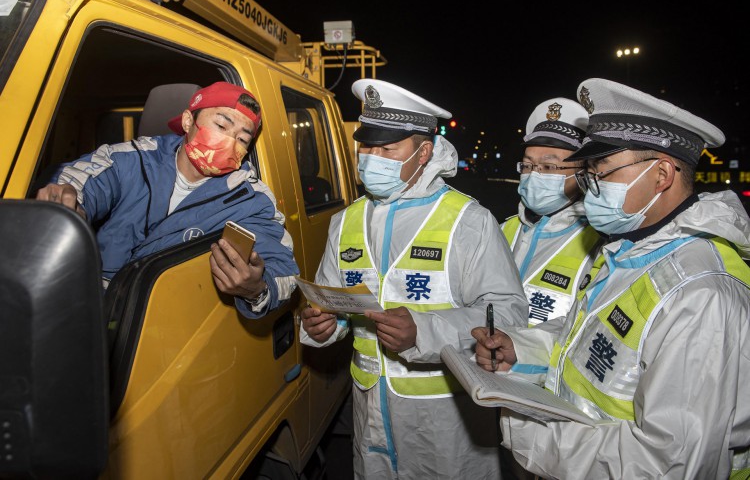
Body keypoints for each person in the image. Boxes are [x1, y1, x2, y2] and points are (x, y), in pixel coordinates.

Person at [472, 77, 750, 479]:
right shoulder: (630, 251)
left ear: (662, 175)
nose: (589, 191)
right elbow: (586, 339)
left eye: (602, 172)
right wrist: (522, 346)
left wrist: (531, 434)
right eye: (586, 174)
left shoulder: (702, 294)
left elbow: (670, 464)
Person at [299, 78, 528, 479]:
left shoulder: (467, 220)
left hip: (446, 421)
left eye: (388, 149)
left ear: (424, 152)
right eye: (367, 146)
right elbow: (333, 301)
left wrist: (423, 331)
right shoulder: (345, 220)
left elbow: (507, 314)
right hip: (370, 413)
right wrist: (325, 325)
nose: (373, 158)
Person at [35, 81, 299, 318]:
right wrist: (70, 205)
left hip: (163, 326)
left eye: (242, 139)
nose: (230, 143)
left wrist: (257, 289)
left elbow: (286, 271)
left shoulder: (250, 198)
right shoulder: (136, 157)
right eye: (221, 125)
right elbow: (86, 179)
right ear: (187, 122)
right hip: (85, 304)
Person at [503, 97, 603, 328]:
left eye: (549, 167)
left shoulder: (599, 245)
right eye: (527, 166)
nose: (534, 175)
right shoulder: (502, 230)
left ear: (583, 173)